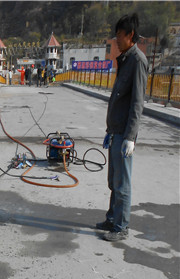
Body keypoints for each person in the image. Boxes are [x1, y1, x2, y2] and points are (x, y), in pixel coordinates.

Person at [97, 13, 147, 242]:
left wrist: (130, 137)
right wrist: (110, 131)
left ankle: (121, 227)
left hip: (124, 134)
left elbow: (137, 102)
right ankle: (111, 218)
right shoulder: (125, 59)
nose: (116, 40)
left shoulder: (137, 61)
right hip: (115, 131)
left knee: (122, 183)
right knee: (113, 181)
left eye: (119, 35)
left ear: (130, 35)